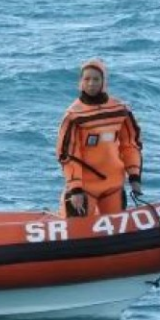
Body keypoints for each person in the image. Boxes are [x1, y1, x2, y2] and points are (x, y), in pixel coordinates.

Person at [56, 58, 143, 218]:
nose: (91, 83)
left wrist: (134, 176)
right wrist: (75, 188)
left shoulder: (120, 110)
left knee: (117, 232)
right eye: (87, 79)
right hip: (84, 188)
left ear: (103, 81)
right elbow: (69, 155)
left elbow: (130, 146)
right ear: (80, 82)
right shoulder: (74, 115)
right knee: (75, 232)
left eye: (96, 79)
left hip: (113, 185)